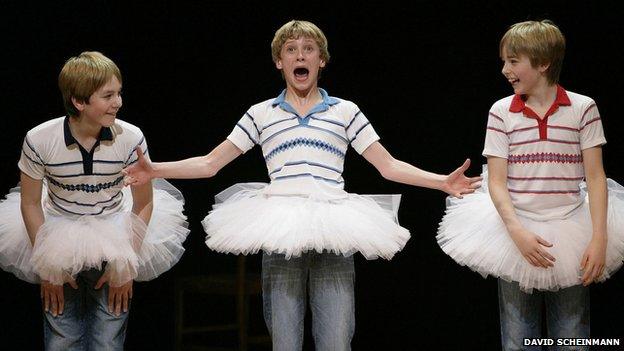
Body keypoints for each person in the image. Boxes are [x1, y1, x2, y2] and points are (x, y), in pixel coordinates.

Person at [124, 20, 480, 351]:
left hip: (332, 227)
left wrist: (441, 182)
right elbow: (210, 162)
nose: (300, 55)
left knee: (337, 340)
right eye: (291, 50)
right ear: (279, 62)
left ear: (321, 60)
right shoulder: (261, 113)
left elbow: (387, 165)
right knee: (285, 342)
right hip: (282, 230)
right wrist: (154, 169)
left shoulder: (345, 111)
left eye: (308, 49)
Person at [437, 20, 624, 350]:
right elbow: (496, 181)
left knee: (572, 333)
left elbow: (595, 177)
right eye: (504, 61)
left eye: (513, 60)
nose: (505, 69)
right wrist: (516, 231)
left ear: (543, 62)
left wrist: (599, 236)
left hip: (570, 228)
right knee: (518, 336)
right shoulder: (501, 112)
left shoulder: (583, 108)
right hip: (517, 231)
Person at [0, 51, 189, 350]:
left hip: (114, 232)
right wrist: (47, 263)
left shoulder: (130, 138)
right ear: (79, 101)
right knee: (62, 339)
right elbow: (31, 203)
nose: (119, 102)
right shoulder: (40, 140)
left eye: (119, 93)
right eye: (108, 95)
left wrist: (127, 262)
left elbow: (143, 203)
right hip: (59, 231)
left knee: (107, 341)